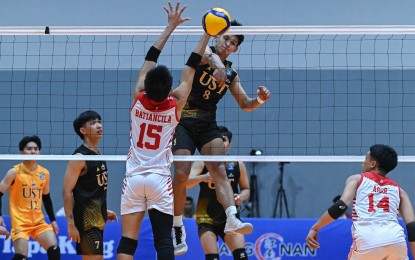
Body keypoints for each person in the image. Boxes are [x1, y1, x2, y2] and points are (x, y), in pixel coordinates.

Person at [116, 2, 212, 259]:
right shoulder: (176, 103)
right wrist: (206, 34)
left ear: (146, 87)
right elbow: (191, 69)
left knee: (127, 241)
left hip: (133, 179)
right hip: (159, 180)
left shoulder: (137, 98)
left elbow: (150, 59)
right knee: (163, 241)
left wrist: (169, 27)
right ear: (169, 89)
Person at [172, 19, 271, 255]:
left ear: (236, 49)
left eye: (234, 43)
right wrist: (217, 65)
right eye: (226, 38)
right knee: (181, 174)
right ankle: (177, 226)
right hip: (184, 121)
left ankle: (232, 218)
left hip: (207, 123)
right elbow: (208, 54)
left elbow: (246, 104)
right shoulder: (203, 50)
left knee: (220, 170)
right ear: (217, 37)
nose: (229, 44)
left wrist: (259, 100)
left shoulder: (231, 74)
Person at [306, 144, 415, 259]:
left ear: (373, 164)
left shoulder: (357, 179)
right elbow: (412, 227)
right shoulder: (400, 191)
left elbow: (340, 206)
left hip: (368, 240)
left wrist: (315, 228)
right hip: (396, 241)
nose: (362, 163)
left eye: (365, 159)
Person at [187, 126, 250, 260]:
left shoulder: (237, 164)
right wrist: (202, 177)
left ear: (230, 144)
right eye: (217, 140)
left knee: (242, 256)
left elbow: (246, 189)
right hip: (206, 217)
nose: (220, 143)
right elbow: (186, 183)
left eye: (224, 140)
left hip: (231, 218)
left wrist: (240, 197)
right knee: (212, 258)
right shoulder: (203, 162)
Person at [62, 110, 117, 259]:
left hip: (96, 220)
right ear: (83, 130)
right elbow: (67, 192)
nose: (99, 125)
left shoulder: (98, 154)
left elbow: (92, 190)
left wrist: (102, 211)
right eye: (93, 123)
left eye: (99, 121)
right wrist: (71, 224)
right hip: (86, 223)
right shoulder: (79, 157)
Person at [0, 135, 60, 259]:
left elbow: (46, 197)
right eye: (29, 149)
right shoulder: (14, 172)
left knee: (54, 249)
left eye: (36, 149)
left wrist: (53, 220)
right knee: (21, 256)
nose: (33, 151)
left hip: (38, 222)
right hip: (20, 223)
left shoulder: (44, 173)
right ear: (21, 152)